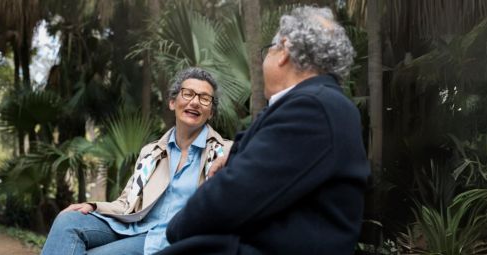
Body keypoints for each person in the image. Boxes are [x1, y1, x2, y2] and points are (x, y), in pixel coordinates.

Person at [159, 6, 369, 255]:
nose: (263, 61)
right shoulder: (319, 104)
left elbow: (233, 198)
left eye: (268, 50)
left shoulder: (313, 107)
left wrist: (176, 228)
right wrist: (235, 155)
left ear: (284, 51)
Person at [41, 67, 234, 255]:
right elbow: (127, 202)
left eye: (204, 98)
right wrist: (93, 206)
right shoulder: (151, 152)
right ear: (172, 103)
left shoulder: (226, 152)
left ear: (211, 113)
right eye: (188, 93)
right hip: (135, 226)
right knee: (68, 221)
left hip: (175, 238)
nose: (195, 102)